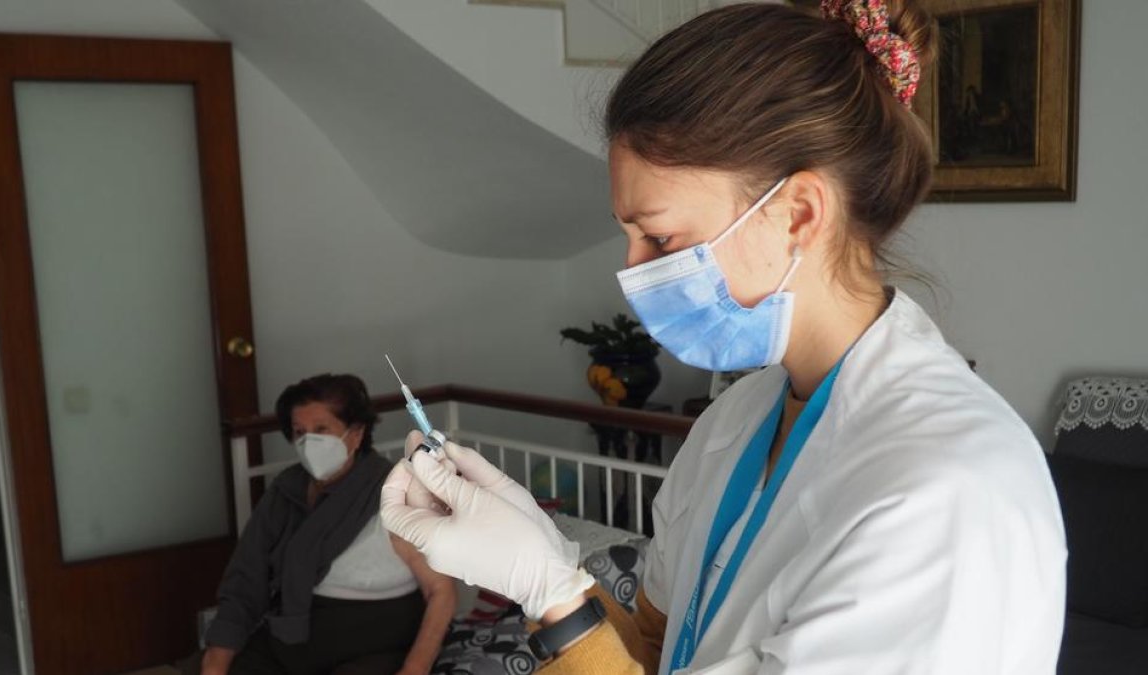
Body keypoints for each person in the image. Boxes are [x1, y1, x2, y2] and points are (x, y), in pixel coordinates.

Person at [381, 1, 1066, 674]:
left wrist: (553, 601)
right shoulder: (734, 422)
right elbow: (656, 647)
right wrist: (548, 559)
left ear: (798, 213)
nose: (632, 270)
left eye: (660, 236)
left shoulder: (943, 496)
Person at [202, 374, 455, 675]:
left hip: (378, 639)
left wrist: (414, 669)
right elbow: (246, 581)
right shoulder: (286, 491)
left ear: (357, 433)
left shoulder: (392, 491)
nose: (310, 442)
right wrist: (216, 661)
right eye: (300, 433)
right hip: (296, 631)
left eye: (322, 430)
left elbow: (441, 590)